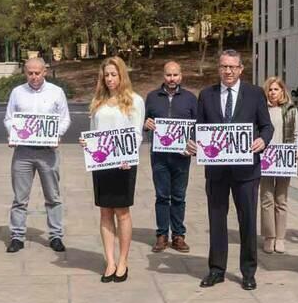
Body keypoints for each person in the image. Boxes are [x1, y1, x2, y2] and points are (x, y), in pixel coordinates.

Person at [190, 49, 273, 290]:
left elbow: (266, 126)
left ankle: (248, 271)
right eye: (224, 67)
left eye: (232, 67)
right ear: (219, 68)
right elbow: (199, 127)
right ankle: (216, 269)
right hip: (216, 171)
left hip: (247, 170)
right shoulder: (206, 95)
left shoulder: (255, 94)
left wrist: (263, 140)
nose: (228, 71)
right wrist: (194, 142)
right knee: (216, 219)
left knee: (247, 220)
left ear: (240, 69)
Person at [83, 57, 145, 282]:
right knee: (105, 211)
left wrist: (128, 155)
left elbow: (137, 134)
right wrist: (86, 144)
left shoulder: (135, 101)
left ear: (122, 76)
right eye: (106, 75)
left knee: (122, 212)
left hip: (124, 163)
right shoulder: (98, 101)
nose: (110, 79)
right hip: (101, 163)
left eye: (113, 74)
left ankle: (123, 260)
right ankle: (109, 260)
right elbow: (94, 131)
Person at [3, 57, 71, 253]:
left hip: (48, 152)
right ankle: (17, 236)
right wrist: (13, 132)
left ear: (45, 72)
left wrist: (57, 134)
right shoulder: (17, 92)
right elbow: (9, 118)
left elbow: (65, 118)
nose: (33, 77)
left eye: (37, 73)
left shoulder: (56, 92)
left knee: (53, 196)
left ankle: (56, 235)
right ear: (25, 73)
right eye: (30, 73)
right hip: (22, 152)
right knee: (20, 197)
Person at [144, 61, 196, 253]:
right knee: (162, 196)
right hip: (159, 156)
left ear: (181, 76)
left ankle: (178, 235)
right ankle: (161, 235)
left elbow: (198, 126)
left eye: (175, 75)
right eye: (168, 75)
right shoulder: (152, 97)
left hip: (182, 156)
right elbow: (143, 120)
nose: (172, 79)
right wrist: (145, 124)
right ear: (163, 76)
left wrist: (193, 144)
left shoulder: (190, 98)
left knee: (179, 196)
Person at [259, 76, 298, 254]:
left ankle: (280, 238)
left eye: (276, 89)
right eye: (270, 89)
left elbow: (297, 132)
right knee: (267, 198)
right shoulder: (261, 110)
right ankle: (269, 236)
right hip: (265, 158)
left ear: (282, 91)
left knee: (281, 199)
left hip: (284, 158)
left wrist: (295, 151)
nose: (273, 92)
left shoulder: (290, 109)